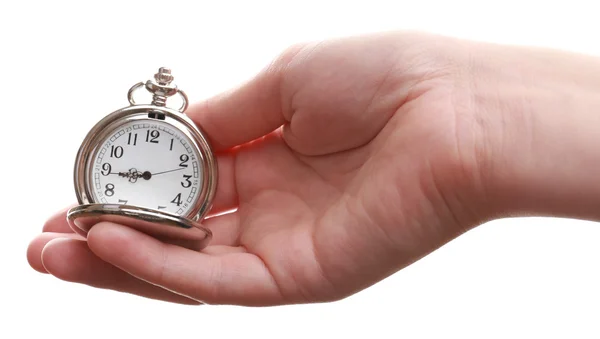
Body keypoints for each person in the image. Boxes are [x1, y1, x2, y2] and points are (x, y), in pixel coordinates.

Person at [26, 31, 600, 306]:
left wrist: (450, 104)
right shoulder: (159, 145)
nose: (141, 178)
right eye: (129, 173)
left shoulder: (169, 148)